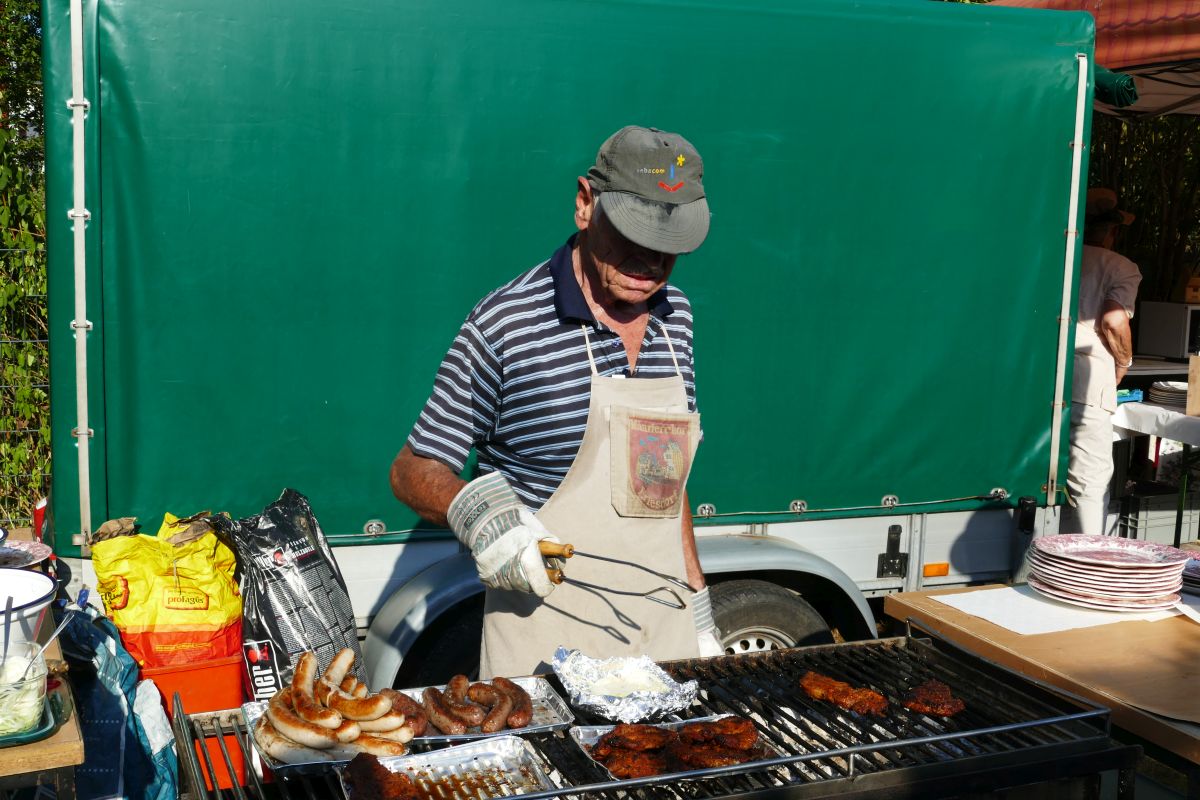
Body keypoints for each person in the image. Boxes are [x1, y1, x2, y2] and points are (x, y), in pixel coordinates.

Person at [390, 126, 723, 678]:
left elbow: (667, 480)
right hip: (544, 635)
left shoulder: (676, 318)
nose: (649, 260)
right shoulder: (507, 323)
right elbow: (412, 470)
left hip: (663, 628)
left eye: (669, 244)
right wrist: (485, 520)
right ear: (585, 204)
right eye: (632, 233)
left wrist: (699, 604)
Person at [1064, 187, 1141, 536]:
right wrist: (1124, 360)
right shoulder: (1120, 266)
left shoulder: (1054, 258)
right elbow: (1113, 319)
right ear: (1112, 231)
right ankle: (1088, 557)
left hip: (1035, 374)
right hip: (1087, 379)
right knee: (1089, 482)